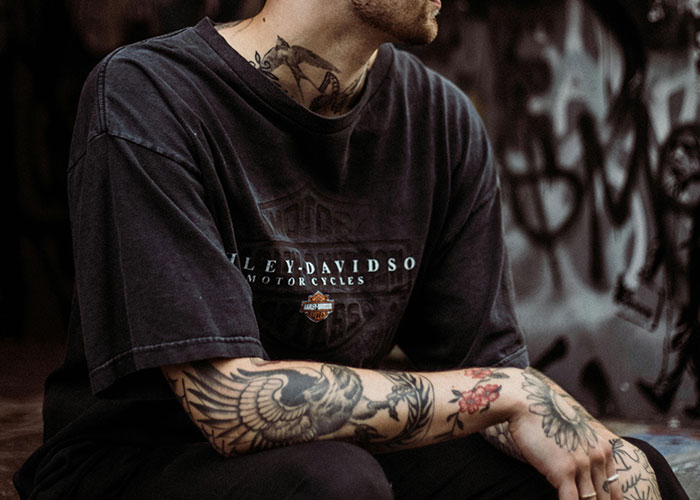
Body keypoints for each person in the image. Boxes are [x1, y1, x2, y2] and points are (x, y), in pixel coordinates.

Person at [14, 0, 689, 499]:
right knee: (334, 485)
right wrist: (505, 392)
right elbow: (226, 406)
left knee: (616, 476)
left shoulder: (441, 122)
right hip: (137, 462)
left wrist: (602, 463)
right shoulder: (148, 95)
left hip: (338, 452)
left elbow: (481, 370)